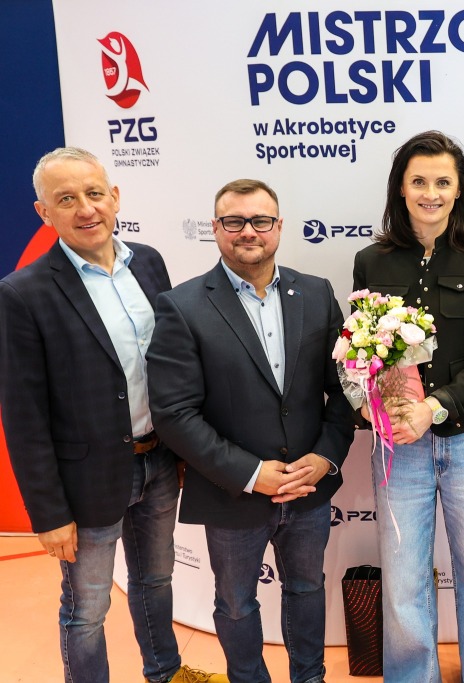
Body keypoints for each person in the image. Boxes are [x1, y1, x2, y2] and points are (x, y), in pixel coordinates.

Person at [0, 147, 225, 683]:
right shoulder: (22, 293)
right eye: (66, 199)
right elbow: (24, 415)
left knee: (156, 582)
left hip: (160, 462)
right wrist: (48, 513)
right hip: (85, 481)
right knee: (87, 609)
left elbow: (172, 366)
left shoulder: (148, 261)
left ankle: (164, 673)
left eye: (94, 193)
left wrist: (186, 448)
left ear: (115, 197)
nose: (86, 209)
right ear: (44, 212)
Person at [146, 179, 354, 683]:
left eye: (260, 220)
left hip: (308, 487)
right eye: (234, 221)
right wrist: (251, 473)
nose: (248, 232)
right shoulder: (181, 305)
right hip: (232, 493)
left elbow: (346, 389)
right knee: (236, 603)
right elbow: (174, 413)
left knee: (307, 589)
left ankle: (310, 678)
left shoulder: (317, 293)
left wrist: (325, 458)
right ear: (216, 228)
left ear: (278, 227)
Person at [351, 130, 464, 683]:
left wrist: (434, 407)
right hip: (399, 448)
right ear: (401, 187)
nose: (431, 193)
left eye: (443, 182)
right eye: (419, 181)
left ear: (458, 189)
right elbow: (357, 355)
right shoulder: (370, 260)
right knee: (403, 580)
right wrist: (370, 405)